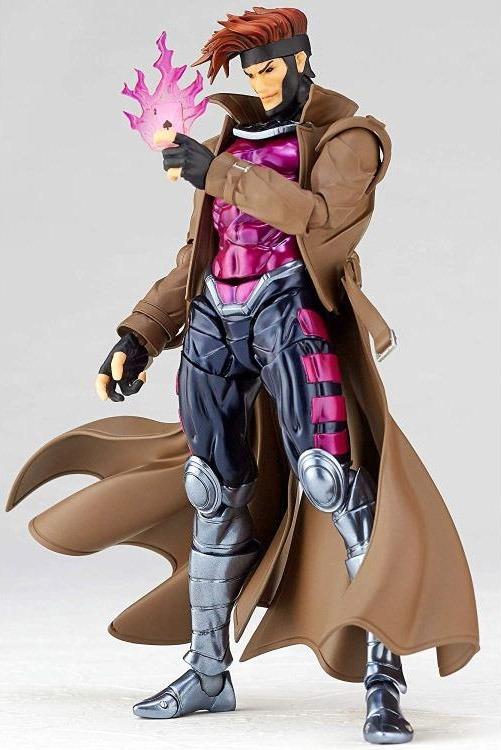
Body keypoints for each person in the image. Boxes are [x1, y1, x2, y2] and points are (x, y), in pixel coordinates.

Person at [7, 6, 479, 745]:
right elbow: (198, 254)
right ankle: (207, 670)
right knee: (212, 488)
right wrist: (140, 332)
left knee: (331, 480)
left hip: (289, 313)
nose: (258, 81)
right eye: (249, 70)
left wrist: (220, 173)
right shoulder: (228, 142)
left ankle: (383, 683)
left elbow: (318, 219)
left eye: (268, 66)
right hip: (213, 320)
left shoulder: (348, 138)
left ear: (300, 60)